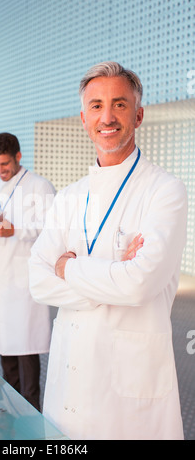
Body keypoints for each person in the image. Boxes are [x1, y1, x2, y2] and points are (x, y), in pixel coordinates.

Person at [28, 62, 188, 440]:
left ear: (139, 114)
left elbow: (138, 286)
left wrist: (68, 268)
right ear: (84, 118)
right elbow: (37, 281)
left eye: (119, 103)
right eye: (97, 105)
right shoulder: (68, 198)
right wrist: (112, 270)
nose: (108, 116)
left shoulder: (165, 191)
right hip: (69, 379)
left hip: (128, 392)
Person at [0, 132, 56, 411]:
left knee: (26, 345)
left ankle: (32, 411)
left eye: (5, 165)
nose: (0, 171)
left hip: (25, 279)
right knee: (5, 345)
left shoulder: (40, 186)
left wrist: (16, 230)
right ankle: (8, 409)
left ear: (19, 157)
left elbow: (51, 229)